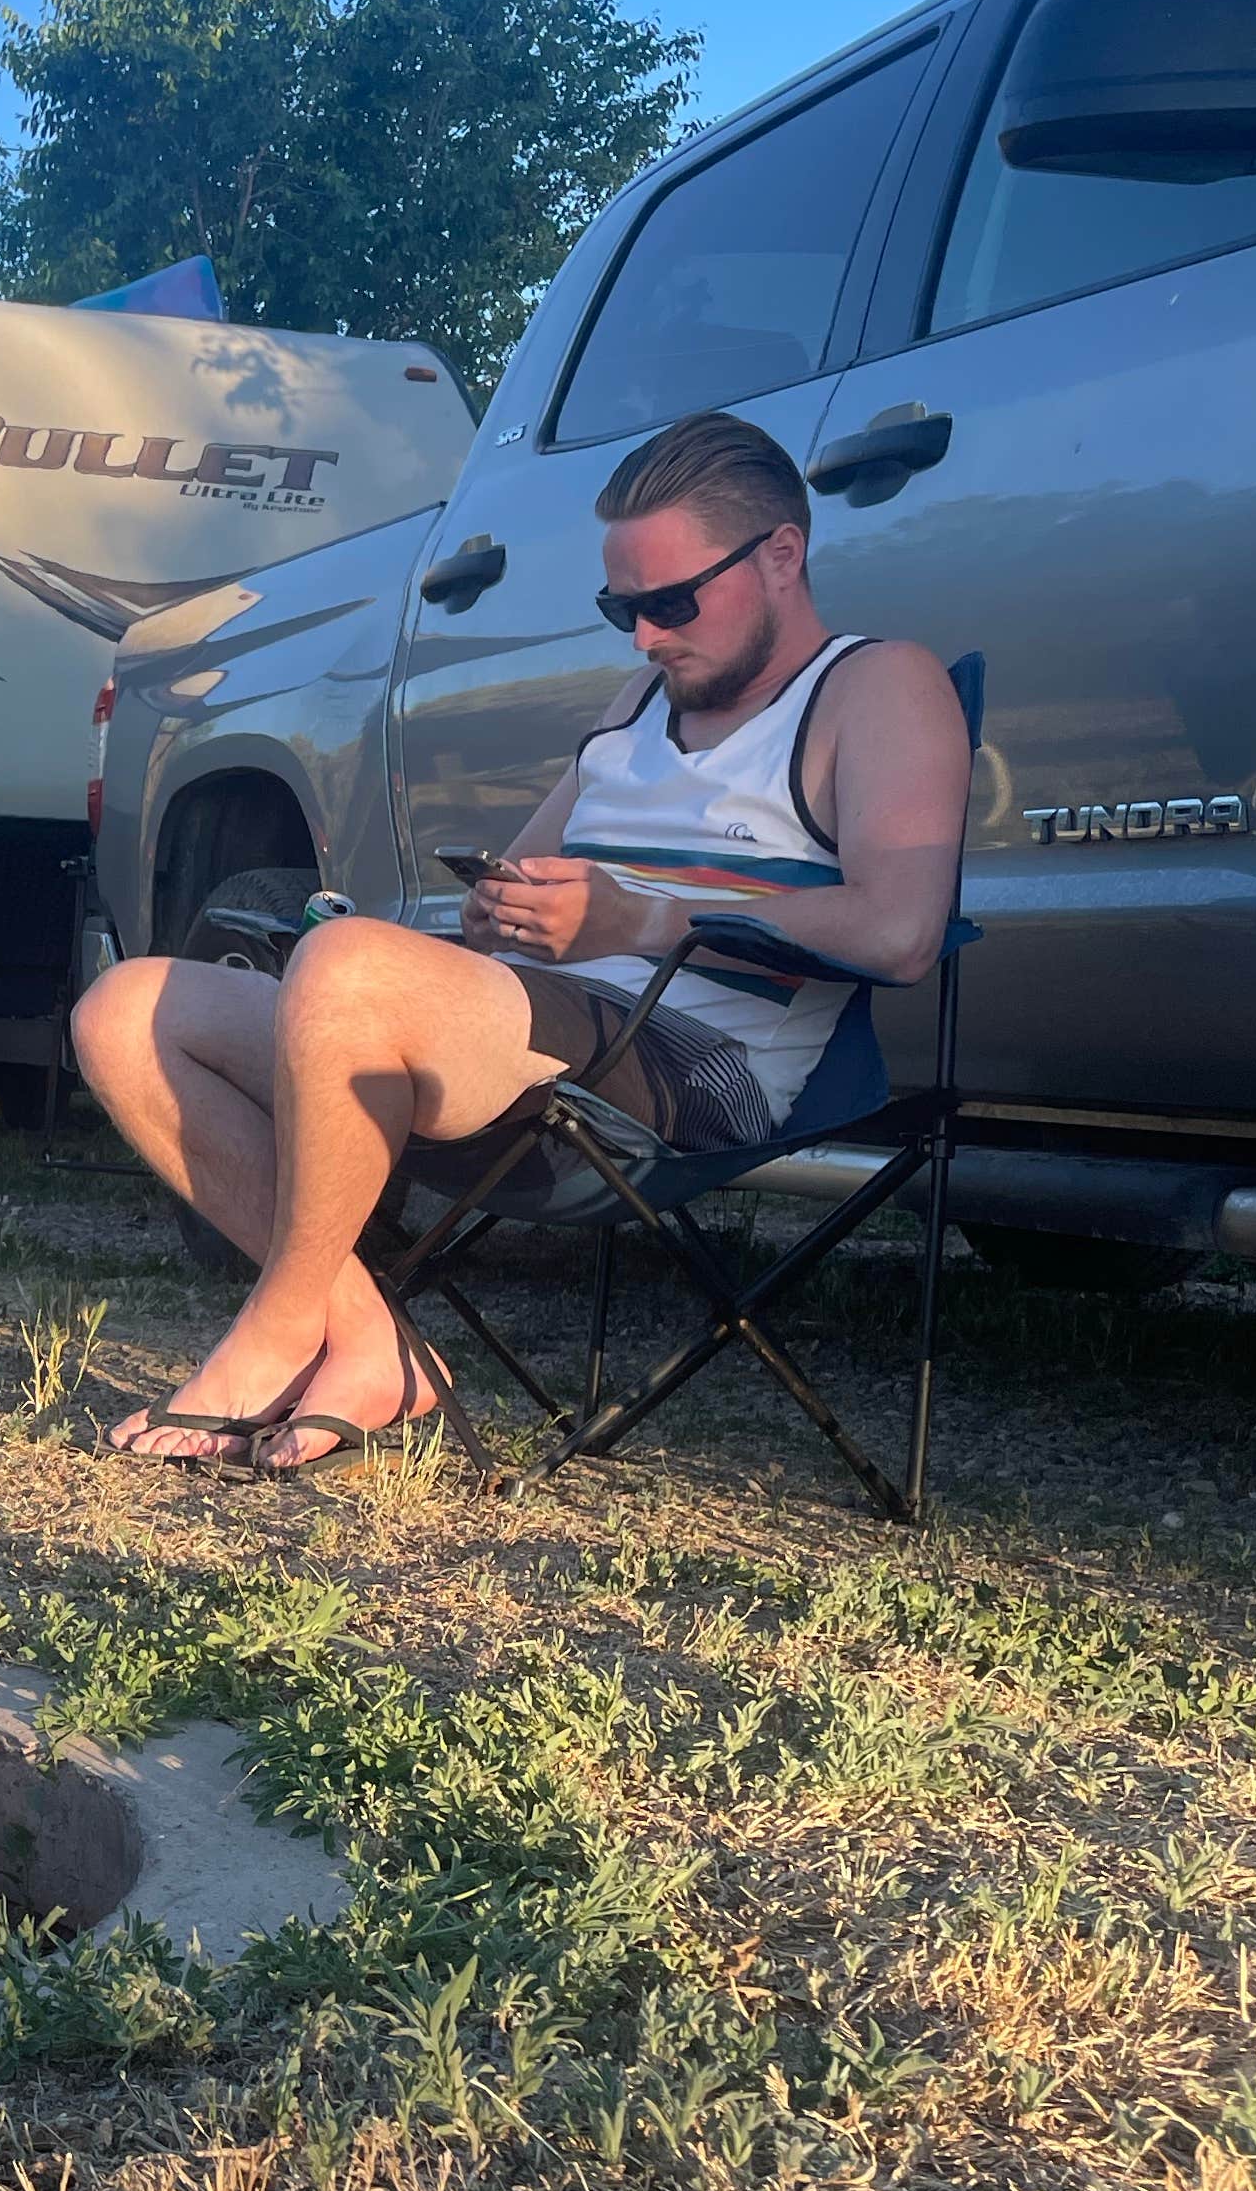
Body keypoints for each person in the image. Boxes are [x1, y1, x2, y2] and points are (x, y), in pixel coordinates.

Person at [71, 408, 972, 1470]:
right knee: (126, 1010)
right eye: (621, 606)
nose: (644, 635)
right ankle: (368, 1340)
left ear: (783, 554)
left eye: (671, 602)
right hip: (537, 1044)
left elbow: (902, 930)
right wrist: (500, 910)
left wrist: (636, 917)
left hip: (700, 1071)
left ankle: (277, 1329)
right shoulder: (645, 698)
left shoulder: (875, 687)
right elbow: (521, 883)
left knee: (349, 972)